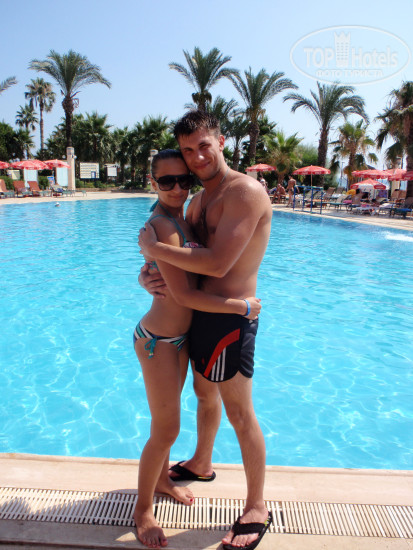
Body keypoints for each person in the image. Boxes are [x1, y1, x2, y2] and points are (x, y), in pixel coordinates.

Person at [138, 111, 273, 550]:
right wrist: (147, 273)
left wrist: (154, 249)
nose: (197, 157)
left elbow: (216, 263)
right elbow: (181, 260)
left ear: (221, 142)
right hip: (197, 314)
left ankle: (257, 507)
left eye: (204, 146)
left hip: (230, 319)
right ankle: (200, 462)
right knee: (203, 395)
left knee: (240, 412)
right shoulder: (196, 202)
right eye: (188, 150)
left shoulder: (244, 192)